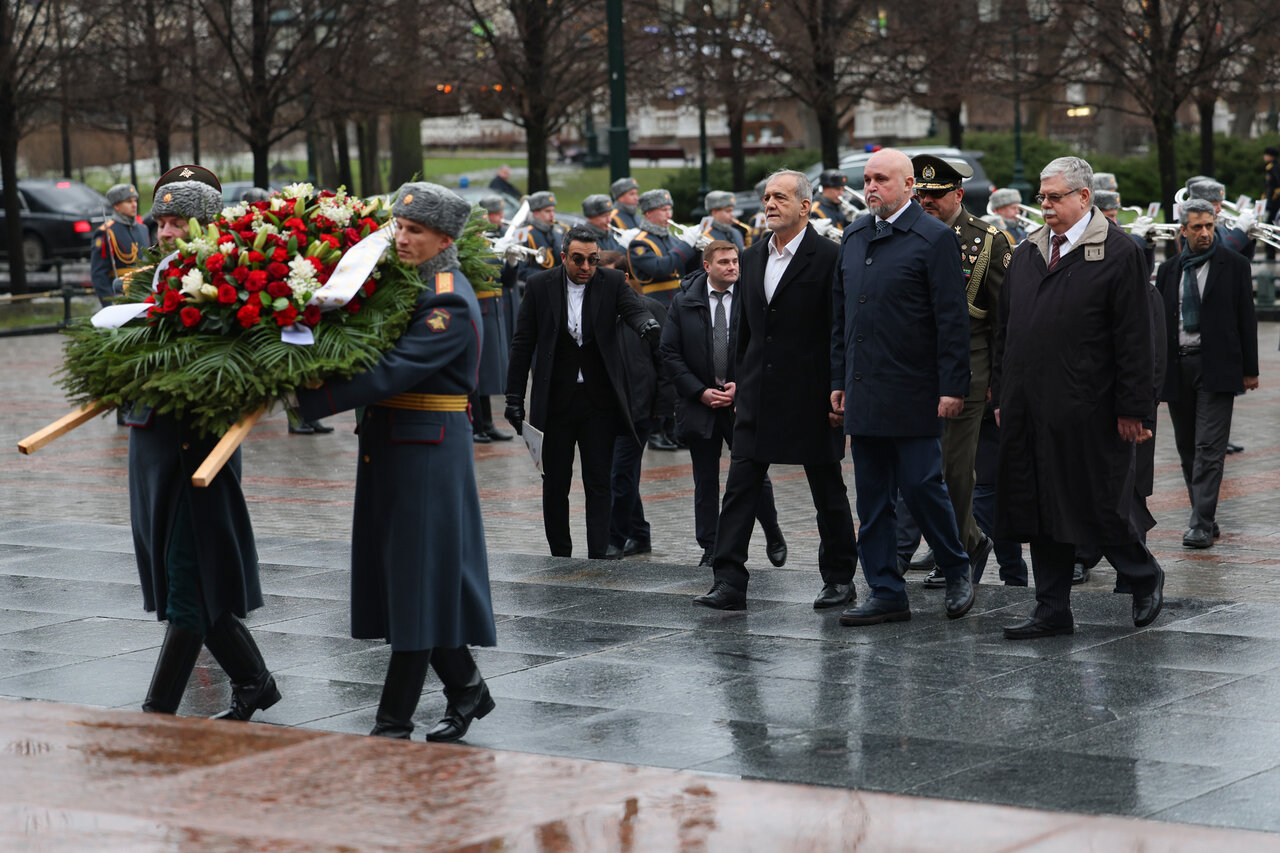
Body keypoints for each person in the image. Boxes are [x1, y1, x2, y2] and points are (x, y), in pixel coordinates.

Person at [295, 182, 497, 741]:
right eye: (399, 228)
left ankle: (392, 722)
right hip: (394, 443)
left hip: (426, 450)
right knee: (411, 574)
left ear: (445, 240)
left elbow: (394, 370)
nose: (402, 239)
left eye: (416, 231)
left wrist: (306, 393)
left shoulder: (447, 297)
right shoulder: (406, 283)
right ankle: (467, 688)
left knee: (416, 578)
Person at [125, 165, 280, 722]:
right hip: (157, 443)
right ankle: (254, 681)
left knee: (188, 583)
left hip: (195, 446)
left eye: (177, 222)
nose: (165, 231)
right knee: (183, 576)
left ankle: (157, 713)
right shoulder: (162, 273)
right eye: (161, 222)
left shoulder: (228, 278)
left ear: (206, 225)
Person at [993, 156, 1164, 639]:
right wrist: (1004, 395)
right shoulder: (1028, 252)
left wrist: (1133, 408)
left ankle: (1143, 575)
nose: (1045, 205)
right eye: (1041, 197)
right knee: (1040, 507)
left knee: (1098, 504)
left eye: (1054, 197)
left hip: (1090, 408)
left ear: (1084, 197)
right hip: (1030, 407)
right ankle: (1051, 608)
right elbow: (1007, 331)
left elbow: (1136, 338)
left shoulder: (1119, 252)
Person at [692, 170, 856, 612]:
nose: (769, 204)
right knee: (740, 488)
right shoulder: (751, 256)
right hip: (758, 395)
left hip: (812, 395)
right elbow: (747, 328)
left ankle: (840, 578)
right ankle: (729, 581)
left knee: (827, 490)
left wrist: (838, 388)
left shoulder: (829, 256)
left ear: (805, 206)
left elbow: (839, 329)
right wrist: (738, 379)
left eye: (780, 197)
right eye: (766, 197)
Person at [830, 148, 975, 626]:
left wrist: (953, 387)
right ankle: (886, 590)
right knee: (872, 500)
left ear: (909, 185)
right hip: (864, 390)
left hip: (914, 390)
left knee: (921, 487)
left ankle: (956, 567)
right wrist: (838, 379)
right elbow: (841, 318)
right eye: (867, 180)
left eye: (882, 179)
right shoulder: (854, 235)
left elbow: (952, 320)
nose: (871, 187)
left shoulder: (934, 238)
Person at [504, 225, 661, 559]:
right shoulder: (539, 285)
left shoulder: (612, 281)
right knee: (555, 484)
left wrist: (646, 325)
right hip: (555, 402)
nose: (586, 266)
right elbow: (522, 344)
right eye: (578, 259)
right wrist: (513, 398)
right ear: (564, 257)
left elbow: (633, 309)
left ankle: (597, 556)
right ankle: (560, 556)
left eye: (593, 259)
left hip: (598, 403)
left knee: (599, 483)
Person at [905, 154, 1004, 590]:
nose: (926, 201)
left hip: (969, 369)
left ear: (959, 195)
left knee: (953, 470)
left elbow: (1003, 321)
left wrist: (998, 382)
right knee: (917, 472)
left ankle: (960, 550)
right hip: (916, 371)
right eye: (921, 194)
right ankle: (964, 543)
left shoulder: (987, 242)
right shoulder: (908, 233)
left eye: (936, 195)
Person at [661, 239, 785, 568]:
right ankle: (710, 546)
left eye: (735, 261)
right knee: (705, 479)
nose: (732, 267)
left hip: (740, 401)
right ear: (707, 267)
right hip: (699, 403)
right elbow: (669, 353)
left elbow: (765, 346)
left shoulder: (751, 296)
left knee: (753, 471)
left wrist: (741, 387)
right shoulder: (684, 301)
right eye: (724, 262)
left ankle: (772, 531)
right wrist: (699, 391)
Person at [1156, 198, 1259, 549]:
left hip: (1217, 367)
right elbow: (1160, 323)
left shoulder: (1234, 265)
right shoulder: (1169, 270)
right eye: (1197, 227)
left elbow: (1246, 318)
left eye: (1209, 226)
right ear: (1182, 230)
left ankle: (1199, 523)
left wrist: (1250, 370)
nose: (1204, 233)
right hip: (1178, 367)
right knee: (1187, 447)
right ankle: (1205, 513)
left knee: (1209, 447)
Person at [599, 252, 672, 559]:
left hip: (638, 409)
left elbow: (665, 360)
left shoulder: (649, 309)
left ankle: (615, 539)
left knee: (620, 475)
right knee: (621, 475)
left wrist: (661, 408)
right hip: (605, 410)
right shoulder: (593, 311)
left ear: (625, 278)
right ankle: (640, 534)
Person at [627, 188, 699, 310]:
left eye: (670, 209)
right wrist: (687, 245)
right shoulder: (639, 243)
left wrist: (697, 250)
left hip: (682, 302)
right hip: (658, 305)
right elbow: (660, 268)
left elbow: (691, 271)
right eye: (664, 210)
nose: (669, 215)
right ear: (648, 213)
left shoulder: (674, 240)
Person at [91, 184, 149, 307]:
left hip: (144, 295)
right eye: (128, 202)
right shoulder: (107, 232)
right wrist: (110, 303)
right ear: (116, 206)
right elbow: (99, 275)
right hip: (121, 296)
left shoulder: (143, 229)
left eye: (135, 201)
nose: (134, 205)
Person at [1187, 179, 1255, 259]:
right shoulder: (1191, 229)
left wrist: (1248, 236)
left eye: (1220, 204)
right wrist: (1240, 230)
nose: (1220, 210)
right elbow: (1221, 255)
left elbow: (1243, 258)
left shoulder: (1221, 228)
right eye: (1214, 205)